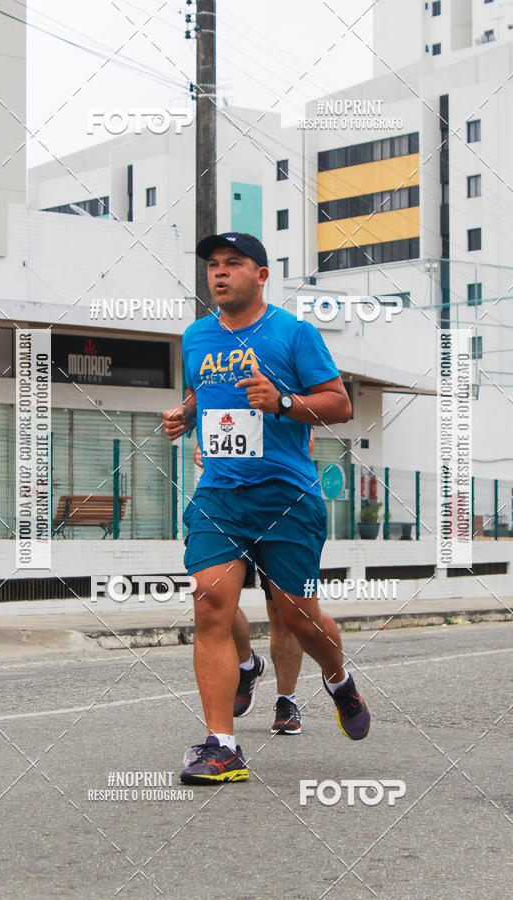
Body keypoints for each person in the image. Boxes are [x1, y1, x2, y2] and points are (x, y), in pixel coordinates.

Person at [162, 232, 370, 785]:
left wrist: (282, 401)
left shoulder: (293, 333)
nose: (219, 273)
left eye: (232, 263)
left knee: (298, 617)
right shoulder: (196, 336)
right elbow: (204, 390)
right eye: (213, 264)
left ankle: (338, 677)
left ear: (261, 275)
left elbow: (339, 404)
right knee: (210, 601)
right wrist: (185, 414)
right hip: (220, 493)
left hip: (286, 496)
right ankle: (222, 746)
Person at [194, 436, 315, 735]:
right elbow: (201, 438)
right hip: (224, 507)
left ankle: (286, 700)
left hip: (279, 509)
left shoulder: (284, 404)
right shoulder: (211, 400)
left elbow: (306, 444)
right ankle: (247, 664)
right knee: (214, 599)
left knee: (284, 612)